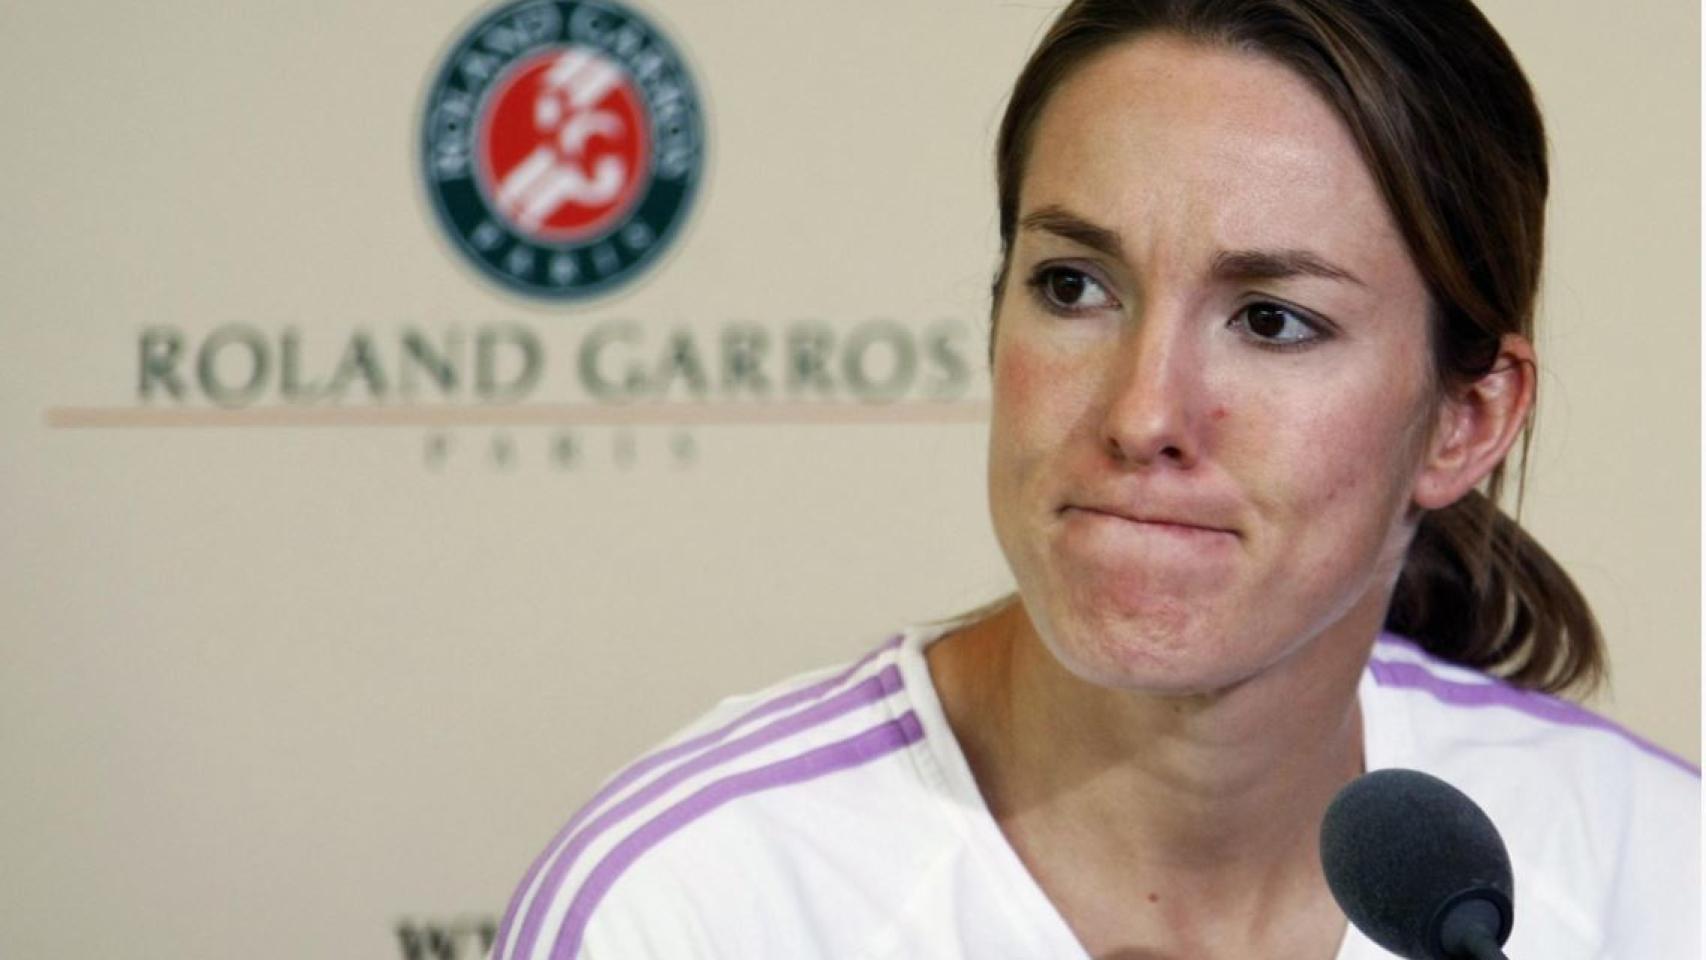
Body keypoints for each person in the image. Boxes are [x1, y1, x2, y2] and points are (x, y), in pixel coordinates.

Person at [489, 1, 1701, 957]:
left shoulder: (1654, 877)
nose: (1140, 413)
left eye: (1272, 320)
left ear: (1464, 419)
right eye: (1074, 286)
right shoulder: (686, 906)